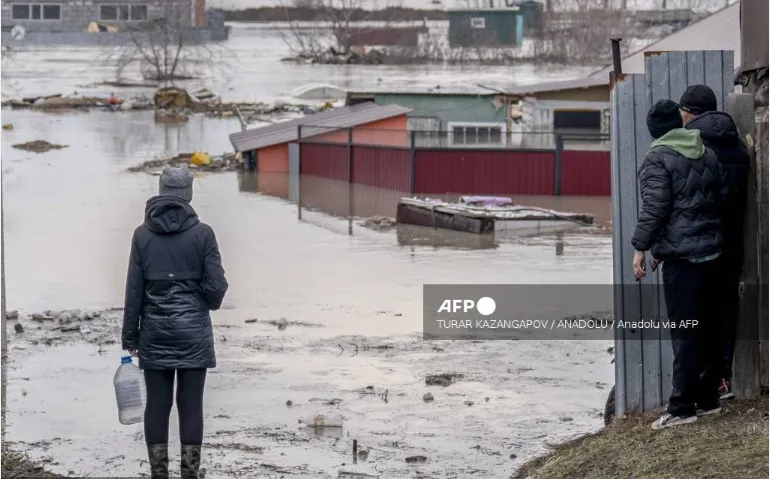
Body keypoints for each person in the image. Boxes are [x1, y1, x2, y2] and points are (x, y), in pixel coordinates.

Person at [122, 167, 228, 479]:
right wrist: (206, 303)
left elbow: (134, 291)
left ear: (160, 190)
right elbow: (218, 285)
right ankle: (190, 473)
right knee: (191, 405)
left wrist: (130, 336)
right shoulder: (204, 233)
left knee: (157, 405)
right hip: (193, 334)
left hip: (154, 334)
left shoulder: (142, 235)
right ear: (189, 195)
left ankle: (158, 473)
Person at [631, 99, 728, 430]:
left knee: (685, 333)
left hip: (682, 260)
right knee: (710, 329)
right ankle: (708, 399)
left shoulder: (657, 158)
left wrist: (641, 248)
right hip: (713, 255)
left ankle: (682, 408)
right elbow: (723, 197)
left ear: (654, 131)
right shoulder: (705, 151)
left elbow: (655, 209)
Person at [679, 85, 751, 401]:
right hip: (733, 238)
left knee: (697, 313)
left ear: (690, 113)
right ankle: (722, 379)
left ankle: (697, 386)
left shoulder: (691, 147)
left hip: (700, 241)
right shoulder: (737, 146)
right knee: (725, 310)